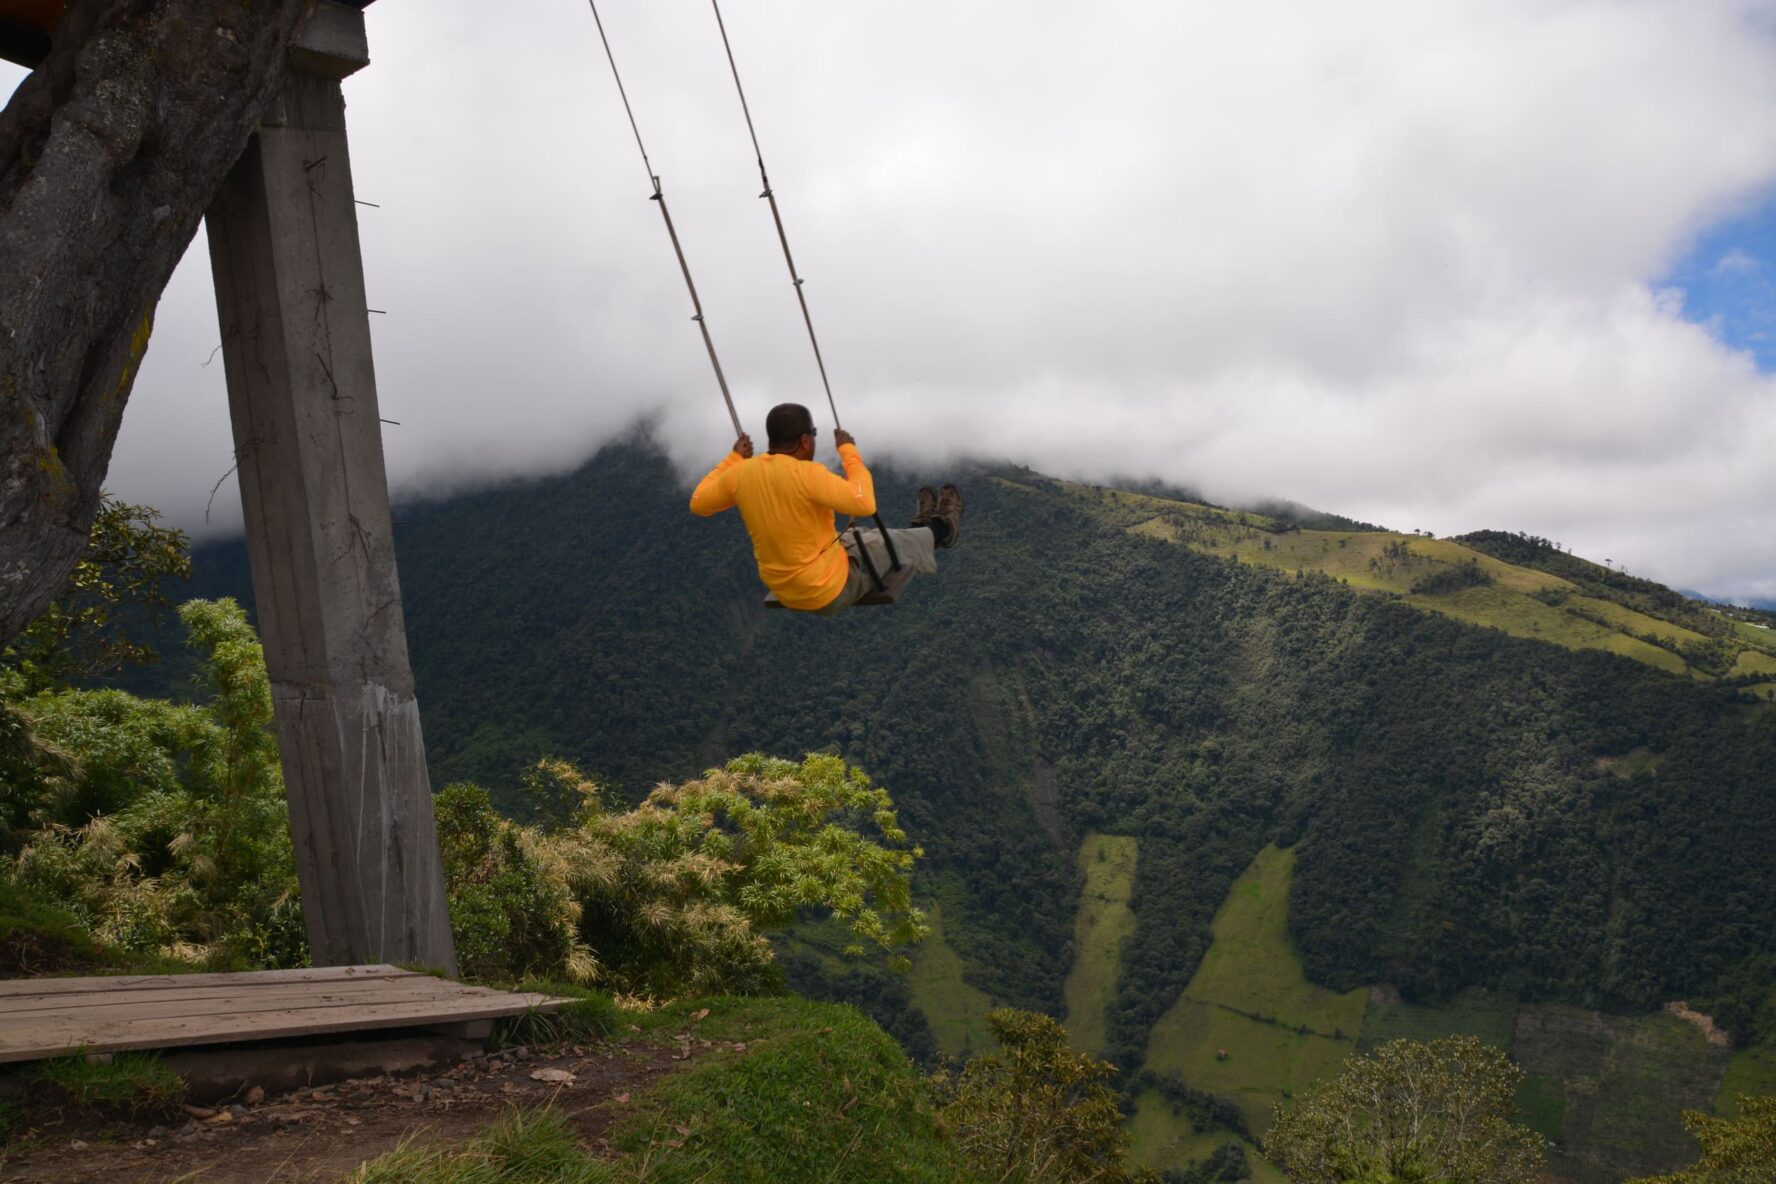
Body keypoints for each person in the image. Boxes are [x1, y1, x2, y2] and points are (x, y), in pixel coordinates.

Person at [690, 402, 962, 614]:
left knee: (866, 535)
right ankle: (941, 529)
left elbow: (699, 503)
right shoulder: (808, 475)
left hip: (783, 588)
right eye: (814, 435)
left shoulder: (742, 473)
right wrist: (848, 451)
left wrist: (734, 458)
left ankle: (921, 527)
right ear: (806, 440)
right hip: (827, 588)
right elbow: (865, 502)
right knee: (889, 541)